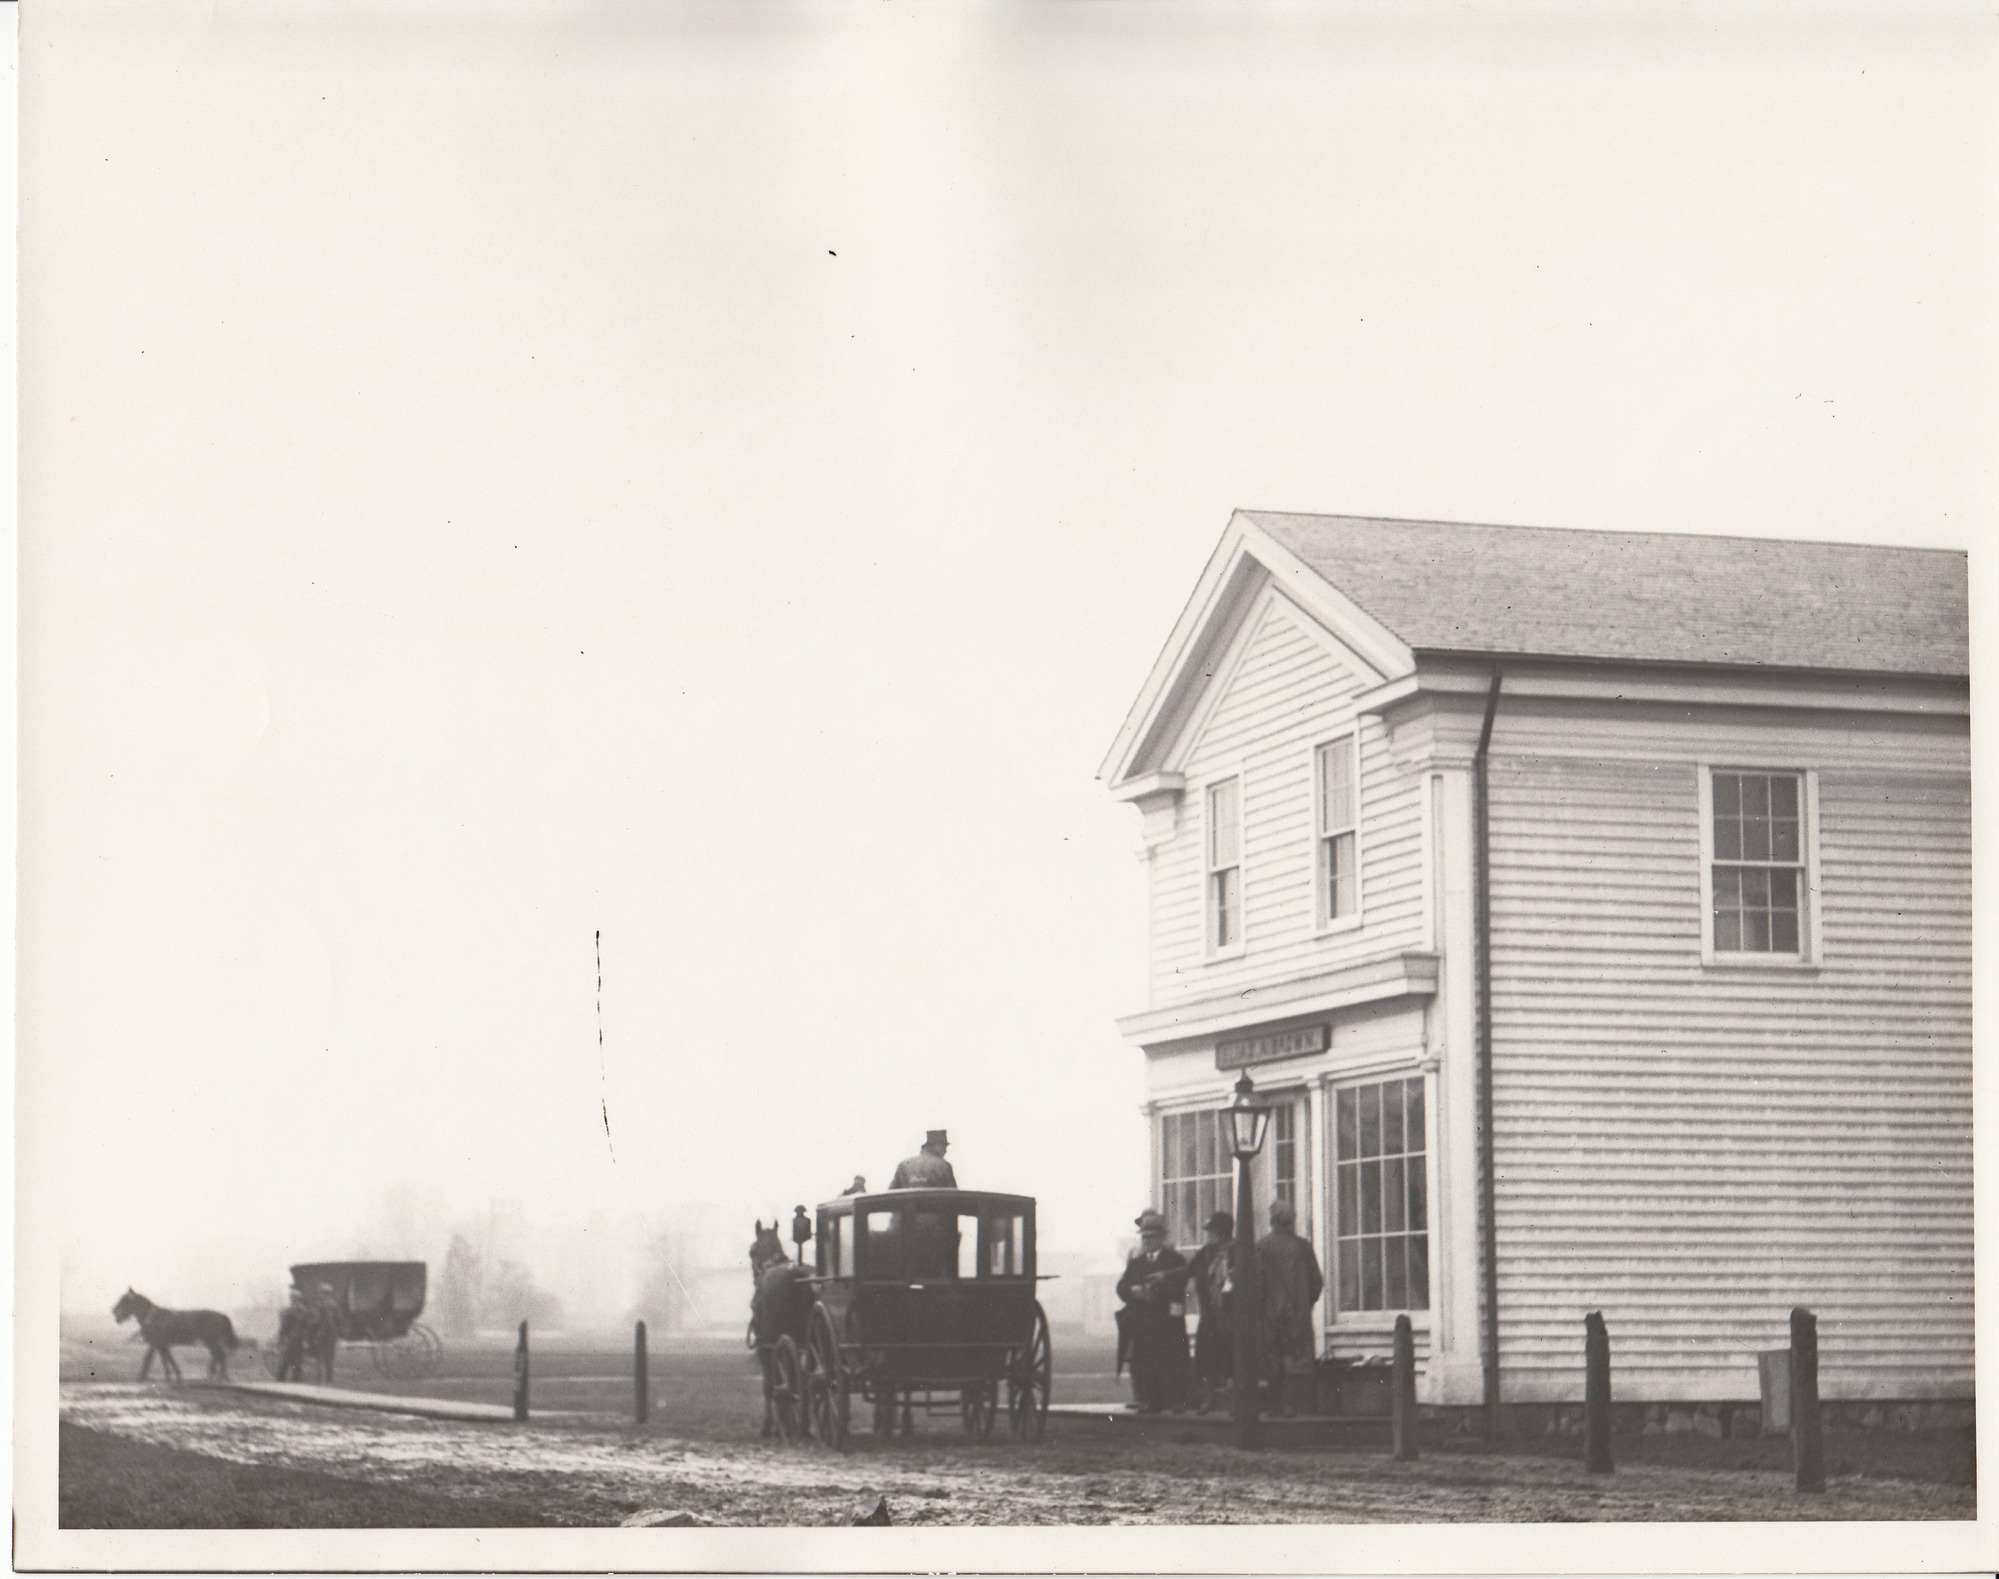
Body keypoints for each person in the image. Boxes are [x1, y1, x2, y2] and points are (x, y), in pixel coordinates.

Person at [1115, 1209, 1189, 1414]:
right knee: (1143, 1365)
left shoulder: (1175, 1261)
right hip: (1143, 1325)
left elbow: (1179, 1285)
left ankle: (1172, 1403)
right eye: (1144, 1237)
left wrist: (1153, 1290)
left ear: (1162, 1237)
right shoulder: (1135, 1263)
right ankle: (1146, 1401)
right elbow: (1121, 1286)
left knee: (1169, 1365)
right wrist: (1132, 1290)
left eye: (1151, 1237)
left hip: (1167, 1325)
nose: (1147, 1241)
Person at [1256, 1198, 1324, 1417]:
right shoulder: (1303, 1247)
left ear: (1272, 1220)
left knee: (1272, 1357)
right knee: (1294, 1358)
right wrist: (1305, 1304)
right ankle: (1291, 1405)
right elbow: (1316, 1282)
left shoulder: (1262, 1247)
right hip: (1298, 1313)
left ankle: (1275, 1406)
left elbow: (1257, 1283)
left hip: (1270, 1312)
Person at [1185, 1210, 1237, 1414]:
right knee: (1205, 1358)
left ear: (1222, 1232)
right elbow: (1188, 1270)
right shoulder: (1206, 1253)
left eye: (1212, 1231)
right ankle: (1208, 1399)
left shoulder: (1237, 1251)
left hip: (1231, 1315)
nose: (1209, 1235)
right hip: (1209, 1314)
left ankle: (1234, 1401)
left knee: (1232, 1359)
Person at [890, 1130, 957, 1189]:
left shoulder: (903, 1165)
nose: (945, 1150)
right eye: (944, 1146)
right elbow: (954, 1196)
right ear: (935, 1145)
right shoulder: (944, 1166)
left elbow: (891, 1194)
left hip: (909, 1203)